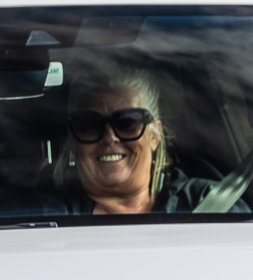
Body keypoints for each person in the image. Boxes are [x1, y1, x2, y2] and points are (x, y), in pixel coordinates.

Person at [43, 71, 231, 214]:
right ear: (75, 141)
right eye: (90, 125)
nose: (109, 137)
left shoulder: (210, 203)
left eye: (128, 122)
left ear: (155, 137)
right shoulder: (42, 217)